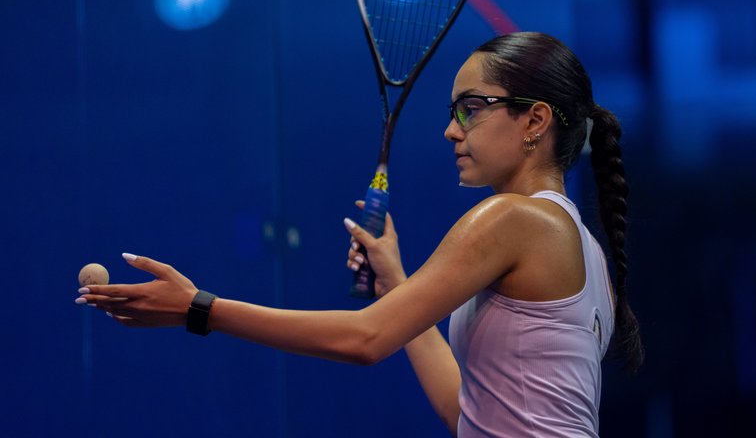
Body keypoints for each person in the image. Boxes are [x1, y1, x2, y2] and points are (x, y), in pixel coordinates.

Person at [75, 32, 643, 437]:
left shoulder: (513, 220)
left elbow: (365, 340)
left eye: (472, 108)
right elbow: (466, 414)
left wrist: (199, 308)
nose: (450, 130)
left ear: (536, 121)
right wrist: (396, 284)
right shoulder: (583, 249)